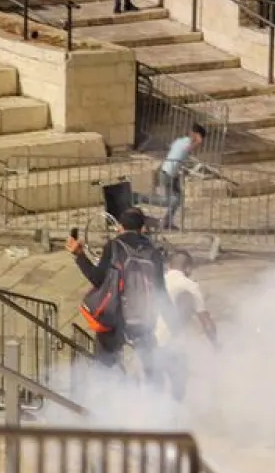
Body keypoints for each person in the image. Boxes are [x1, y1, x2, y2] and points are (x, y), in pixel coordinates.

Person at [69, 208, 168, 372]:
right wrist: (175, 325)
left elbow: (97, 278)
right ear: (142, 228)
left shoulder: (114, 247)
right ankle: (152, 395)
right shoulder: (154, 252)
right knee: (150, 370)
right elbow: (161, 293)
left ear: (120, 227)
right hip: (143, 321)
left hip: (115, 319)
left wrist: (80, 256)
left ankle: (107, 394)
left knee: (105, 367)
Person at [157, 250, 216, 399]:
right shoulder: (189, 286)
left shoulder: (157, 282)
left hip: (150, 343)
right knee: (178, 386)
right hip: (174, 344)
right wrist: (216, 344)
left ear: (168, 266)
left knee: (154, 388)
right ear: (188, 268)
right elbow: (206, 322)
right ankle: (175, 415)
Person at [157, 123, 206, 231]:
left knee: (177, 198)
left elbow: (178, 155)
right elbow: (187, 149)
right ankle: (139, 198)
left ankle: (167, 221)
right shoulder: (186, 144)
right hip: (167, 174)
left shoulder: (180, 141)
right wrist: (197, 141)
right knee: (171, 200)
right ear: (195, 135)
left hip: (171, 174)